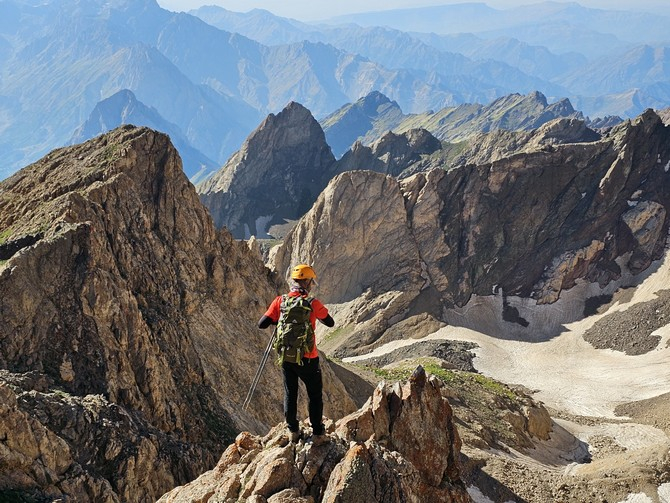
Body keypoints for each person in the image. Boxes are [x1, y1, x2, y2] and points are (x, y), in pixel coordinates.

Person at [258, 264, 335, 445]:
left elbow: (262, 323)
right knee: (314, 395)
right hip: (308, 358)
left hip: (287, 357)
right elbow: (330, 323)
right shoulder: (312, 303)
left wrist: (279, 319)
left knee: (290, 393)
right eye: (311, 282)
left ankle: (293, 430)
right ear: (307, 282)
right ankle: (317, 432)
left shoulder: (280, 301)